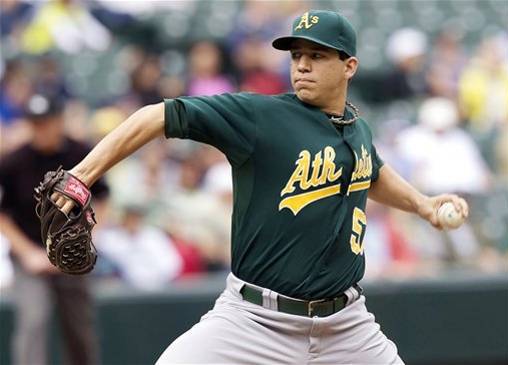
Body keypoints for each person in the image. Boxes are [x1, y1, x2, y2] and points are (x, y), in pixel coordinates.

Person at [51, 10, 469, 364]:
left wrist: (424, 205)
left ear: (349, 66)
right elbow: (156, 116)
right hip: (254, 320)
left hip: (347, 326)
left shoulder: (355, 128)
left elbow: (370, 171)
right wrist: (83, 174)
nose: (302, 65)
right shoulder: (259, 116)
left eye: (317, 55)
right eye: (297, 55)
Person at [0, 94, 109, 365]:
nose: (42, 129)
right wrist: (28, 254)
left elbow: (103, 197)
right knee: (33, 319)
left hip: (72, 254)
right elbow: (2, 215)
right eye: (36, 123)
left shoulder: (79, 153)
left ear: (60, 121)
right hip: (31, 256)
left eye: (47, 122)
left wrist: (88, 237)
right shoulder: (14, 161)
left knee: (79, 330)